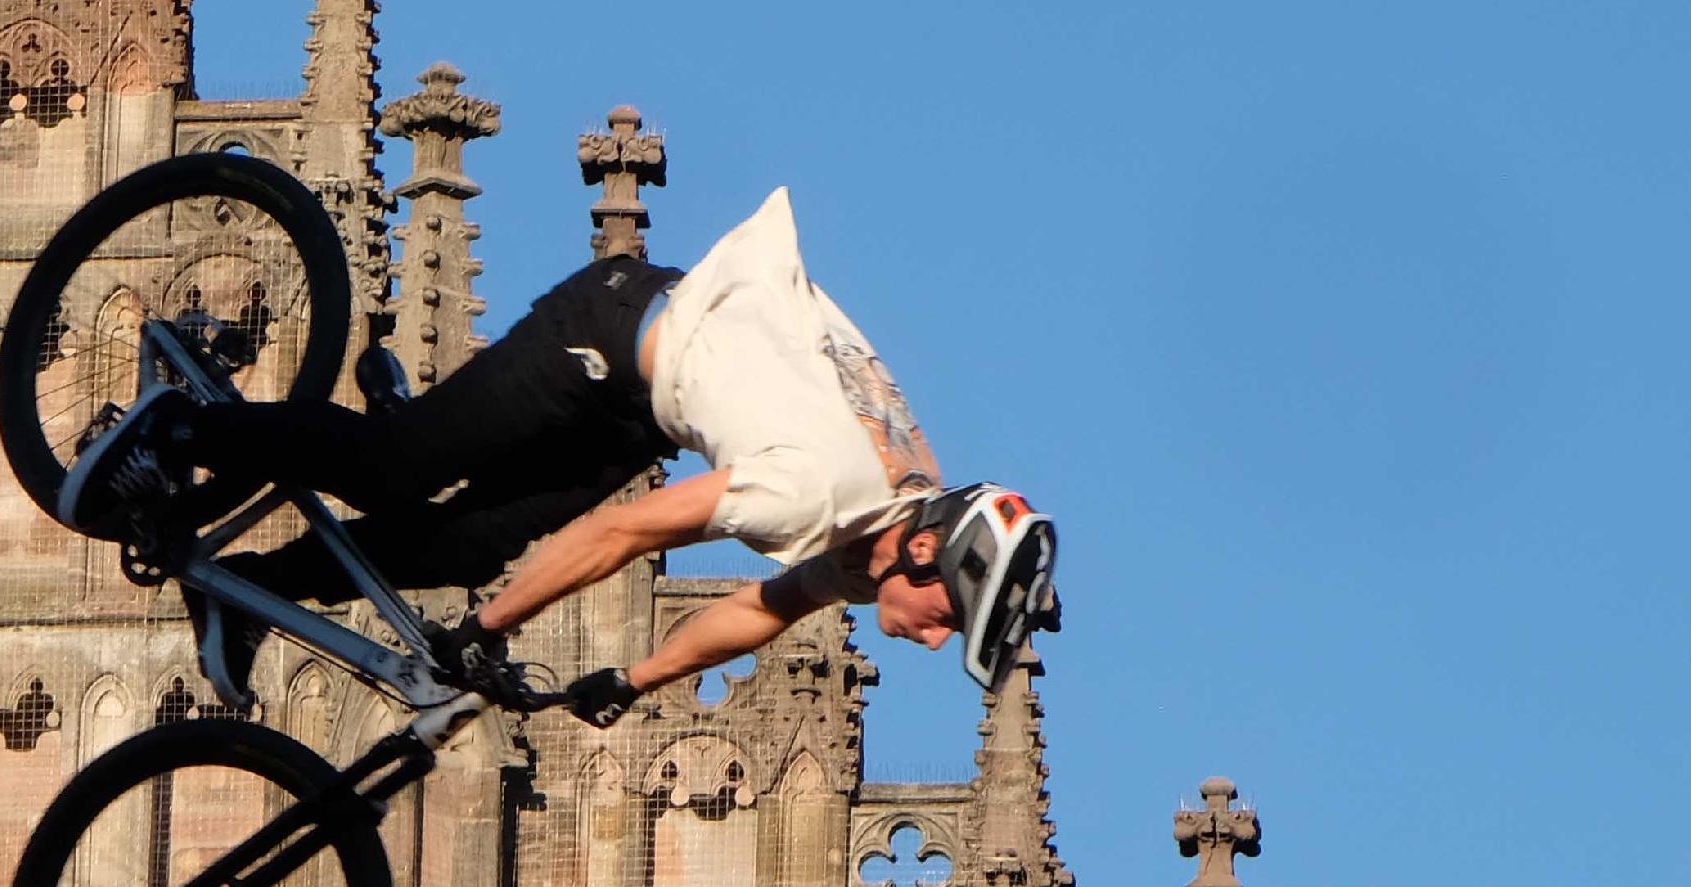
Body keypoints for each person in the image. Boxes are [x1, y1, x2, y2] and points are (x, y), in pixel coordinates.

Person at [59, 186, 1057, 719]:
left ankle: (249, 589)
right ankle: (172, 428)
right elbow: (623, 531)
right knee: (398, 467)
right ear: (925, 554)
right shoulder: (816, 492)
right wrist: (489, 628)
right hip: (609, 334)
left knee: (466, 544)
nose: (934, 641)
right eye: (947, 620)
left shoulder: (886, 523)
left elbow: (762, 609)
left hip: (645, 411)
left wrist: (634, 679)